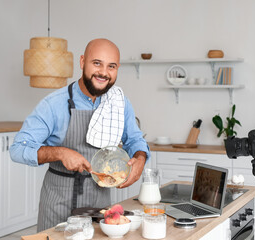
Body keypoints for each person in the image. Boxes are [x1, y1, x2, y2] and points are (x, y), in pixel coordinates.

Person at [10, 38, 150, 231]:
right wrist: (59, 153)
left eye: (111, 66)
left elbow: (135, 140)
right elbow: (18, 149)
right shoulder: (53, 104)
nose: (103, 72)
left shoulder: (120, 104)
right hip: (58, 202)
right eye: (97, 63)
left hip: (100, 204)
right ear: (82, 62)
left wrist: (140, 159)